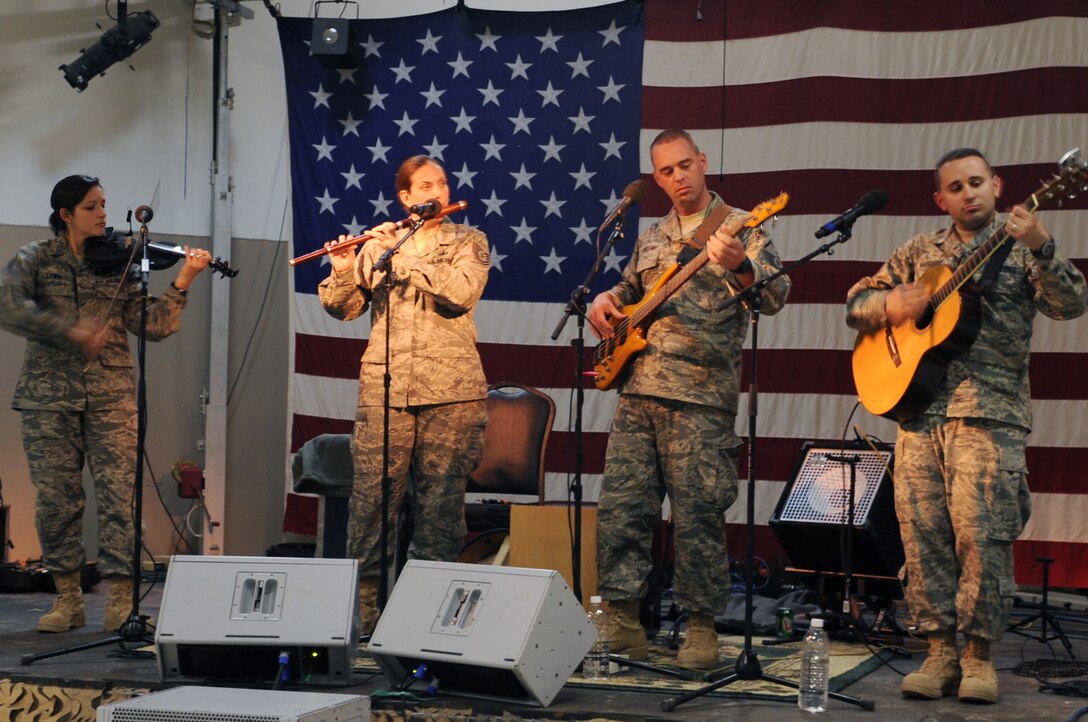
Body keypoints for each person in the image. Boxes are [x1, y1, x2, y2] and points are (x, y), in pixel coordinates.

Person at [846, 148, 1087, 703]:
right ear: (941, 199)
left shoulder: (1021, 244)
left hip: (989, 413)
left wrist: (1042, 247)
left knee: (982, 538)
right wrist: (893, 304)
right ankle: (938, 653)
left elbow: (1072, 304)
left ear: (998, 186)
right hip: (917, 415)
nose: (968, 193)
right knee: (922, 535)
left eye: (977, 182)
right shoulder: (919, 252)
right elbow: (856, 301)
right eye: (955, 187)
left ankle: (978, 658)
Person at [587, 129, 791, 669]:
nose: (678, 178)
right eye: (666, 172)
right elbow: (631, 293)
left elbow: (773, 295)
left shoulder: (742, 224)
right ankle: (624, 623)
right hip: (637, 394)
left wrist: (740, 265)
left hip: (701, 397)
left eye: (685, 165)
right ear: (656, 178)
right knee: (623, 512)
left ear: (703, 162)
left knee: (698, 516)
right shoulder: (652, 236)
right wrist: (607, 299)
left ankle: (701, 627)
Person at [0, 174, 212, 633]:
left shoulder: (121, 262)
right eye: (93, 207)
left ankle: (120, 602)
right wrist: (69, 331)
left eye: (104, 205)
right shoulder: (34, 257)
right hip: (47, 398)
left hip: (111, 399)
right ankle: (68, 600)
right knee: (57, 501)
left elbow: (152, 326)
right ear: (66, 215)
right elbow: (8, 307)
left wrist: (183, 281)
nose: (103, 215)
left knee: (120, 497)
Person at [319, 156, 489, 635]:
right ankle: (365, 621)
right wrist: (342, 268)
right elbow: (344, 309)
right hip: (385, 391)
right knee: (371, 507)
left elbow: (459, 292)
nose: (437, 188)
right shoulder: (378, 245)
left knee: (438, 514)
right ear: (406, 198)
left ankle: (421, 624)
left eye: (443, 180)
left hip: (451, 394)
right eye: (425, 184)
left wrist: (401, 255)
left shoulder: (468, 241)